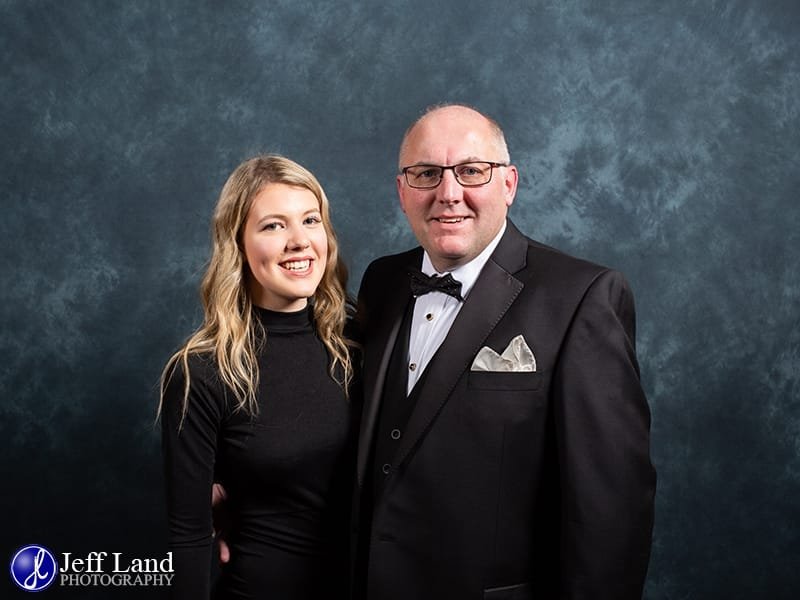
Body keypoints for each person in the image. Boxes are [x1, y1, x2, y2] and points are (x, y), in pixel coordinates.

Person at [353, 103, 656, 599]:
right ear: (402, 191)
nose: (449, 194)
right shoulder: (381, 281)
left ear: (509, 184)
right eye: (426, 173)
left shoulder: (583, 296)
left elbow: (611, 513)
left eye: (472, 171)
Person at [159, 155, 358, 599]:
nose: (299, 242)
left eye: (310, 220)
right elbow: (189, 535)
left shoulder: (361, 343)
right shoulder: (202, 371)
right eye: (273, 226)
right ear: (238, 244)